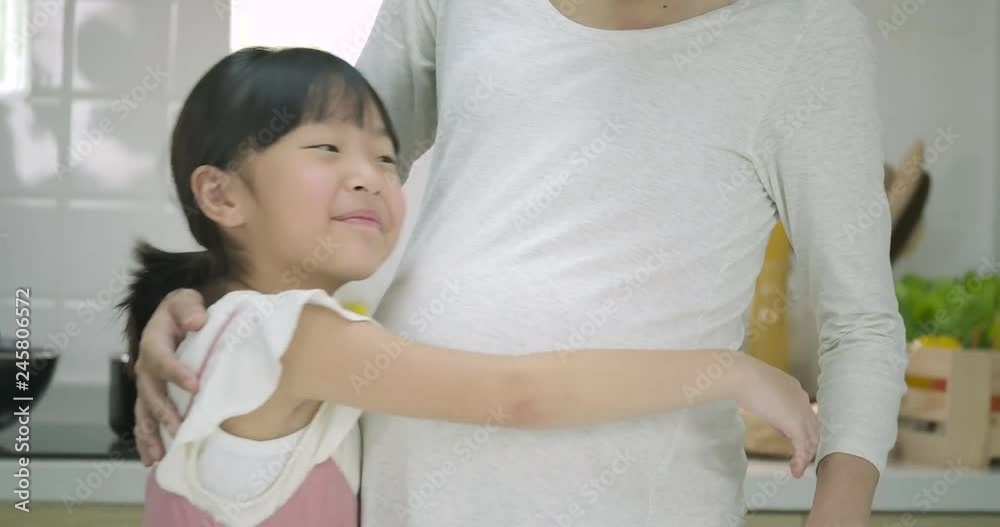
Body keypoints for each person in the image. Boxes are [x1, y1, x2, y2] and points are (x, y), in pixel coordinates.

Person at [134, 0, 910, 525]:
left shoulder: (804, 33)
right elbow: (313, 188)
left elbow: (863, 326)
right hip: (413, 500)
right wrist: (211, 301)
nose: (371, 170)